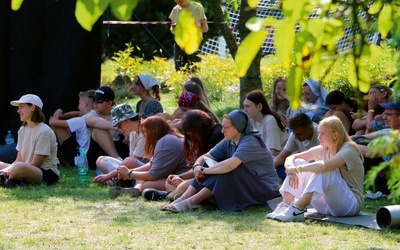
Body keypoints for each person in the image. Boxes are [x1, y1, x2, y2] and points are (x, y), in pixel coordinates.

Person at [163, 110, 280, 213]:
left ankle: (192, 201)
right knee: (209, 162)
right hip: (246, 185)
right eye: (222, 126)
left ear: (238, 127)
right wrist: (198, 166)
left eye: (226, 127)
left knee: (228, 169)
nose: (222, 131)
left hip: (265, 190)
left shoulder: (250, 141)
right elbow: (206, 156)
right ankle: (183, 198)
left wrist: (206, 171)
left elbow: (230, 165)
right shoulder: (229, 140)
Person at [267, 116, 364, 222]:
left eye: (322, 134)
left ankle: (297, 209)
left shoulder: (348, 149)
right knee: (299, 162)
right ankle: (285, 205)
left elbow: (324, 166)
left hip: (350, 205)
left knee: (324, 170)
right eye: (319, 133)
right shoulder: (325, 148)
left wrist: (297, 169)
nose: (319, 137)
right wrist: (291, 170)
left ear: (335, 135)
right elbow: (292, 157)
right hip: (327, 204)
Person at [142, 110, 224, 201]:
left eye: (191, 134)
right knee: (170, 183)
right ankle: (179, 194)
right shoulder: (204, 137)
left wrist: (187, 180)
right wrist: (180, 177)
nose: (191, 138)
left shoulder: (217, 136)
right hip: (200, 175)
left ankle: (167, 196)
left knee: (184, 185)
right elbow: (197, 168)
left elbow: (207, 168)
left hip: (213, 178)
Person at [109, 116, 188, 198]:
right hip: (175, 176)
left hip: (181, 180)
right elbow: (152, 164)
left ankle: (138, 189)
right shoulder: (167, 138)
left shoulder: (165, 142)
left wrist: (129, 173)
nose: (145, 136)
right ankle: (136, 189)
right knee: (142, 177)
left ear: (153, 131)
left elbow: (153, 175)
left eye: (145, 132)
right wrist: (130, 171)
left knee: (145, 186)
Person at [0, 94, 60, 188]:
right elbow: (18, 160)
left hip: (45, 173)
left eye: (22, 107)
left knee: (18, 167)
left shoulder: (44, 131)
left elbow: (35, 164)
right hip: (23, 168)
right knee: (7, 165)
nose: (18, 111)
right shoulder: (22, 130)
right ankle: (10, 179)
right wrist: (4, 171)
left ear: (32, 107)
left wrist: (7, 171)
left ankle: (9, 180)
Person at [92, 104, 147, 185]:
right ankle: (120, 179)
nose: (120, 129)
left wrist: (109, 175)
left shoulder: (144, 131)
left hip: (145, 169)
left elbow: (133, 161)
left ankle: (116, 179)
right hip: (133, 168)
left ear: (128, 120)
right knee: (100, 160)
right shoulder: (133, 133)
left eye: (119, 125)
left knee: (128, 161)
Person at [353, 99, 400, 194]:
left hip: (392, 183)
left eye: (388, 115)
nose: (383, 118)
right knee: (359, 141)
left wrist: (347, 144)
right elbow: (359, 137)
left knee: (359, 146)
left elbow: (373, 153)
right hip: (385, 175)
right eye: (384, 114)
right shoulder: (390, 132)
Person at [85, 86, 129, 169]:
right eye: (94, 100)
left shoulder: (118, 115)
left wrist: (128, 135)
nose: (95, 103)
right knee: (99, 129)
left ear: (109, 103)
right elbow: (93, 121)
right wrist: (118, 129)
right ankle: (119, 162)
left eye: (99, 100)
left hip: (118, 148)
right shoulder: (92, 114)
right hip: (97, 155)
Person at [49, 89, 95, 166]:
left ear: (86, 103)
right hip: (85, 155)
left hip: (77, 158)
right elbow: (78, 113)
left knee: (56, 127)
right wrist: (64, 116)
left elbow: (52, 122)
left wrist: (58, 111)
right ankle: (59, 157)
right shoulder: (94, 117)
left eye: (79, 103)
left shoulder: (82, 120)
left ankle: (57, 157)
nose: (78, 107)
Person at [274, 113, 320, 181]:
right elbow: (282, 157)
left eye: (299, 134)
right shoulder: (295, 134)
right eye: (294, 133)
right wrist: (266, 169)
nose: (295, 137)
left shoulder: (320, 134)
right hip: (303, 169)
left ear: (310, 129)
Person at [243, 90, 289, 156]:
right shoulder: (251, 120)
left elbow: (271, 152)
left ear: (259, 107)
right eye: (244, 106)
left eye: (247, 106)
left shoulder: (270, 120)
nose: (244, 110)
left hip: (283, 160)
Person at [169, 0, 208, 71]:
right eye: (176, 1)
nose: (178, 3)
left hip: (193, 43)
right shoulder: (175, 9)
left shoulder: (197, 7)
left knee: (193, 70)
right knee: (179, 70)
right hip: (179, 44)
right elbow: (172, 29)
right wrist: (175, 29)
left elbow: (205, 28)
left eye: (180, 1)